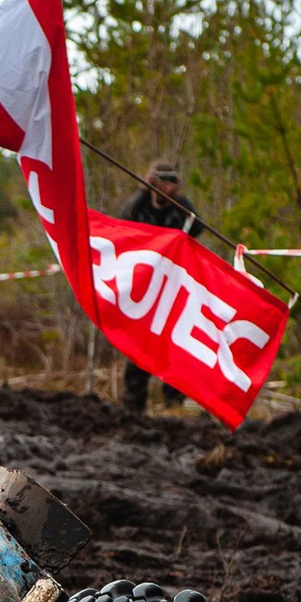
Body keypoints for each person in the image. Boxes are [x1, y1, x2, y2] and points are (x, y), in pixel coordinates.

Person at [117, 158, 205, 415]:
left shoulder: (180, 211)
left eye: (170, 182)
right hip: (143, 286)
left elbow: (198, 225)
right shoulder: (140, 206)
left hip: (172, 287)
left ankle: (173, 405)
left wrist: (178, 197)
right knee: (138, 347)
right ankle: (132, 409)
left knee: (172, 346)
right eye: (161, 181)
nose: (164, 188)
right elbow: (122, 222)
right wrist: (144, 189)